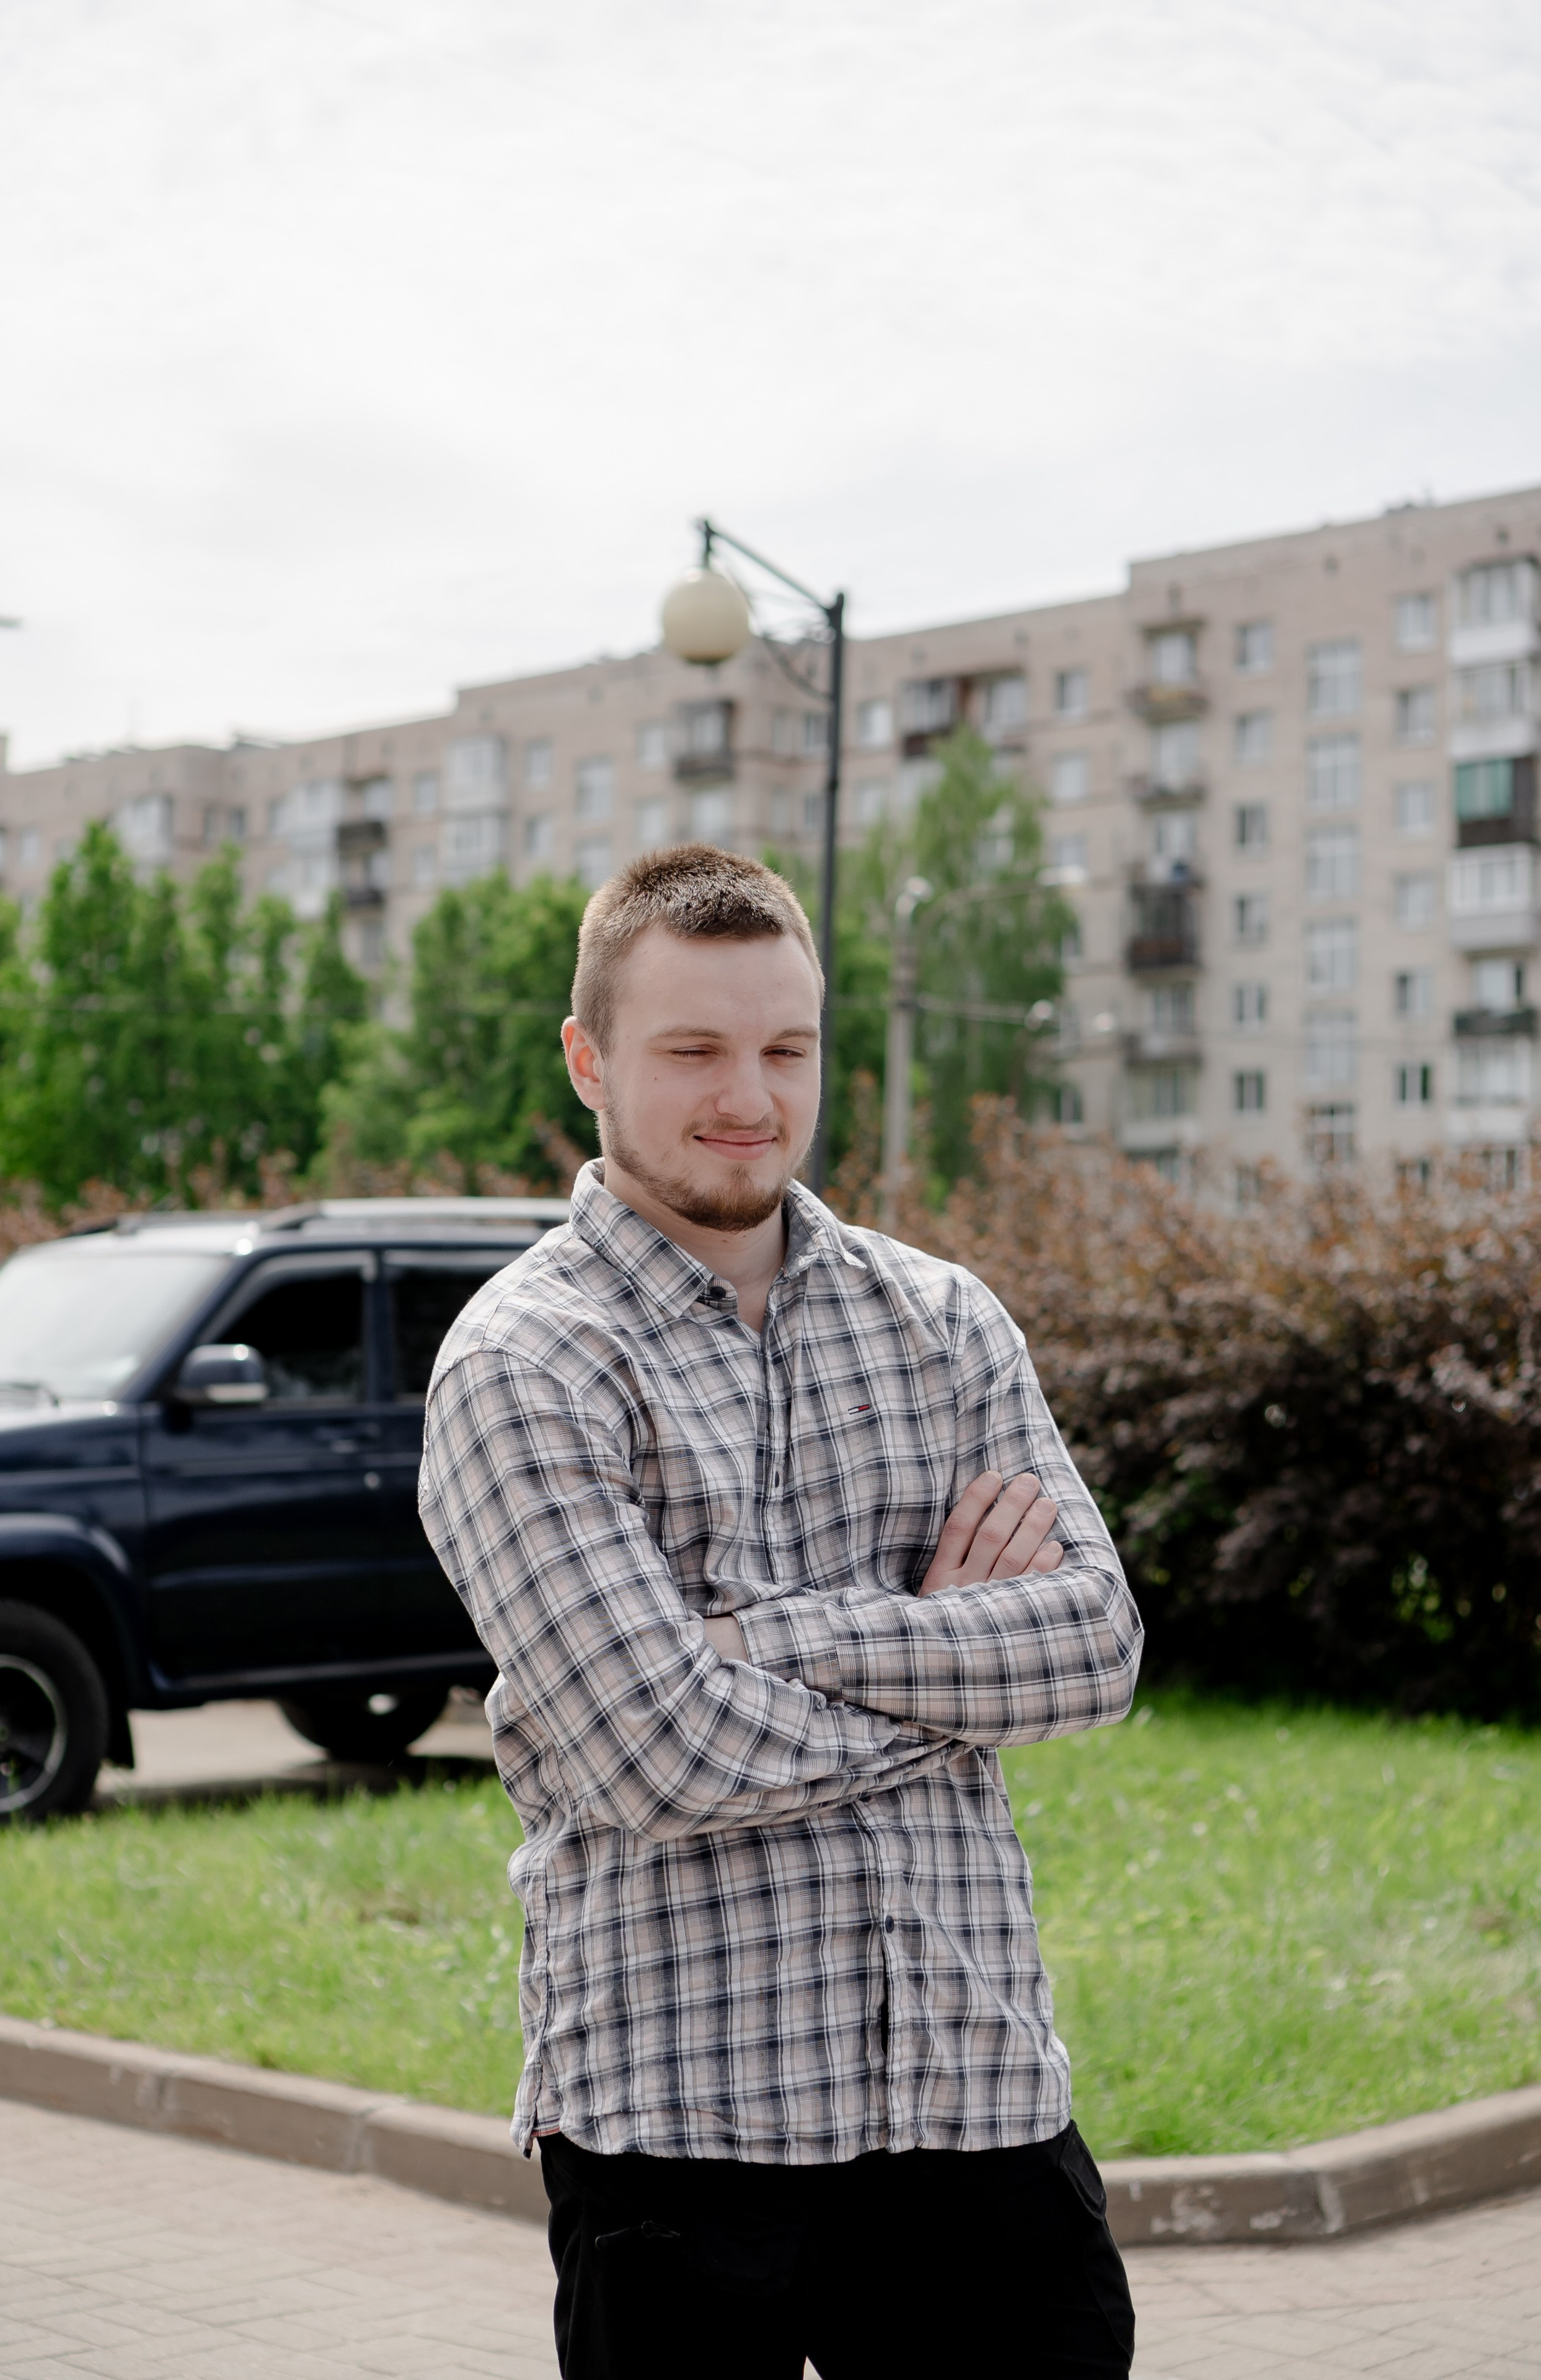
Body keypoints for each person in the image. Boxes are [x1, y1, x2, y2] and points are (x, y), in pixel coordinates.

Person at [420, 844, 1142, 2379]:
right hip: (683, 2145)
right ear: (588, 1059)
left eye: (784, 1048)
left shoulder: (942, 1318)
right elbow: (658, 1751)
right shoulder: (524, 1365)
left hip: (977, 2108)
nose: (747, 1093)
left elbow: (1093, 1645)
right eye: (692, 1049)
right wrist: (951, 1675)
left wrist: (772, 1638)